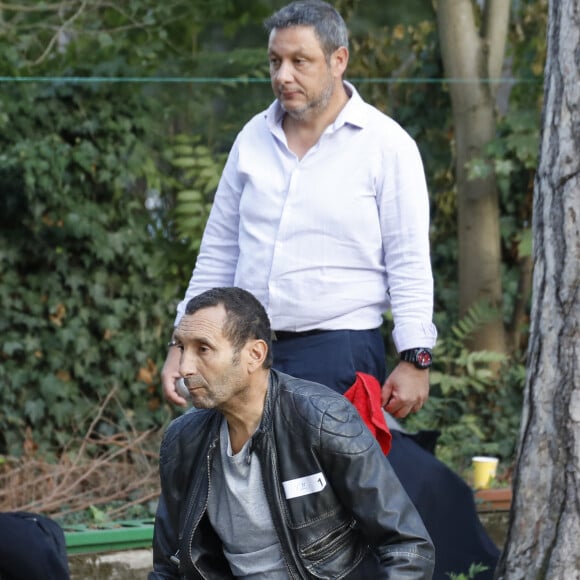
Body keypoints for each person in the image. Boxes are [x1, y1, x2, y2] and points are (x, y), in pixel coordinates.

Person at [160, 1, 500, 578]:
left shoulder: (385, 145)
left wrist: (416, 356)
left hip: (338, 350)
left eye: (300, 61)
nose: (283, 75)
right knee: (240, 489)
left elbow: (410, 262)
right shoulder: (252, 138)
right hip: (243, 349)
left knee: (326, 506)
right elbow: (217, 251)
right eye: (275, 61)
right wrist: (182, 343)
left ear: (339, 60)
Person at [149, 286, 435, 579]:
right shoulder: (183, 439)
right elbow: (168, 566)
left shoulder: (322, 418)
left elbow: (407, 548)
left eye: (203, 349)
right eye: (181, 348)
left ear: (255, 354)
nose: (184, 367)